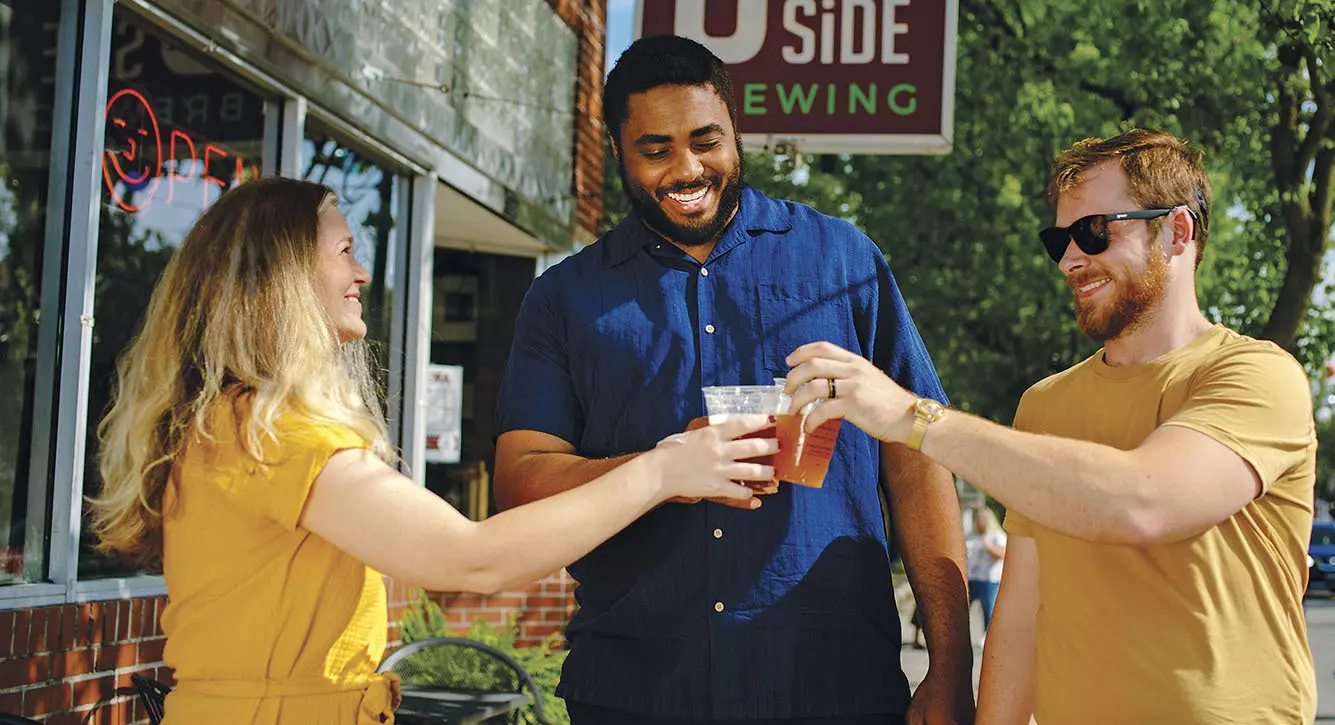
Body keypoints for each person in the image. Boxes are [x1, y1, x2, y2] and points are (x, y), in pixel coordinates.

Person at [91, 176, 778, 725]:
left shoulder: (230, 423)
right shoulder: (275, 432)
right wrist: (663, 469)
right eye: (343, 250)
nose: (361, 271)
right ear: (282, 274)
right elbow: (471, 558)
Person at [493, 35, 975, 725]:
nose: (687, 167)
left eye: (705, 140)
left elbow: (918, 458)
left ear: (735, 133)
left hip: (832, 689)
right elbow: (520, 480)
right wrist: (662, 466)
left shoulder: (844, 260)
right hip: (637, 693)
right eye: (656, 148)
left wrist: (950, 665)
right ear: (616, 150)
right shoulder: (564, 298)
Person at [783, 129, 1317, 724]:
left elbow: (1143, 501)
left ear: (1178, 231)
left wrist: (911, 417)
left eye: (1094, 232)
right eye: (1058, 239)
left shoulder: (1257, 376)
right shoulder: (1045, 404)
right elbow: (1019, 615)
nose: (1069, 259)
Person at [964, 507, 1005, 647]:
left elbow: (1001, 554)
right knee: (962, 607)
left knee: (989, 610)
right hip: (972, 577)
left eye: (981, 518)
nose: (978, 521)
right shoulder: (974, 536)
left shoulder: (997, 536)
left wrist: (988, 545)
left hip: (989, 579)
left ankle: (988, 636)